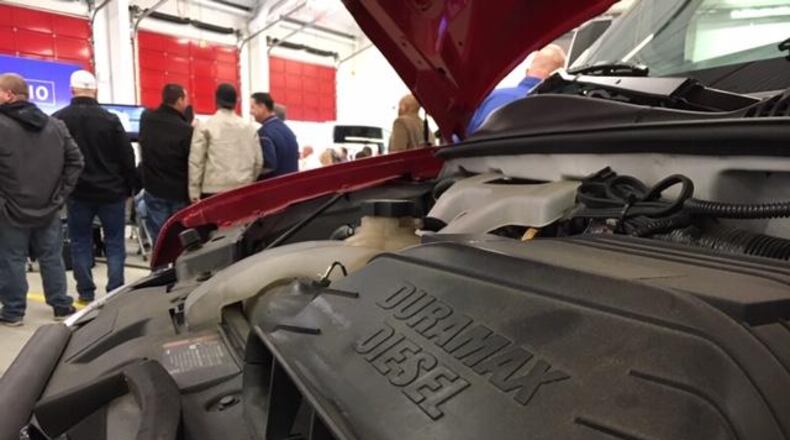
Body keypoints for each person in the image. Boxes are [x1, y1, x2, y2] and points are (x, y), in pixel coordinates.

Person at [0, 73, 82, 325]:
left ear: (9, 95)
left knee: (12, 260)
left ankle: (13, 312)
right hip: (49, 208)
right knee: (51, 257)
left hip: (9, 209)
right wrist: (60, 195)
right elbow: (76, 161)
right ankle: (61, 306)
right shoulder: (55, 125)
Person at [53, 70, 137, 305]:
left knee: (80, 242)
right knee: (115, 242)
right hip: (111, 192)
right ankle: (115, 292)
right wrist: (129, 187)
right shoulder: (110, 119)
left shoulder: (58, 119)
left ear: (72, 90)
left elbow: (54, 158)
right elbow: (127, 156)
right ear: (95, 91)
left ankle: (86, 292)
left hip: (78, 192)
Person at [466, 44, 567, 135]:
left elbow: (466, 135)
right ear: (556, 77)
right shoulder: (556, 109)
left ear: (527, 71)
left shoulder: (492, 96)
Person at [138, 84, 193, 243]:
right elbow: (191, 162)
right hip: (178, 192)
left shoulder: (147, 119)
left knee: (160, 239)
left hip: (154, 189)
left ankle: (160, 259)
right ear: (179, 100)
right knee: (180, 240)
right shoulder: (186, 130)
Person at [189, 83, 262, 201]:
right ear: (236, 102)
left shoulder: (205, 126)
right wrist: (249, 180)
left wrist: (194, 194)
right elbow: (258, 162)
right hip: (243, 189)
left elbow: (196, 162)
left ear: (216, 101)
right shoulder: (249, 128)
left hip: (213, 191)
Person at [250, 92, 299, 178]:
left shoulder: (264, 134)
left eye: (252, 107)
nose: (250, 112)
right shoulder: (288, 131)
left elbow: (267, 166)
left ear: (262, 107)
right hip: (291, 182)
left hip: (274, 184)